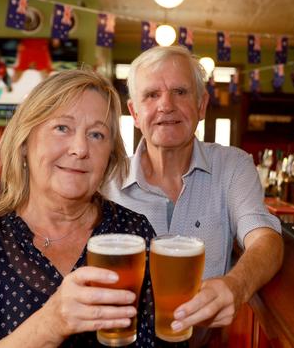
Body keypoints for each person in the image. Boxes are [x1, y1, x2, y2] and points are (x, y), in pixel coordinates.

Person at [0, 69, 159, 347]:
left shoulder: (134, 234)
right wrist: (53, 322)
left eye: (97, 135)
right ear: (25, 141)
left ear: (110, 156)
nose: (80, 149)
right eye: (62, 128)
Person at [102, 45, 284, 343]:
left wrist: (236, 285)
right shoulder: (104, 178)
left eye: (180, 92)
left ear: (201, 105)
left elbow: (266, 239)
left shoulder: (233, 165)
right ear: (134, 112)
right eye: (151, 95)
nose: (166, 105)